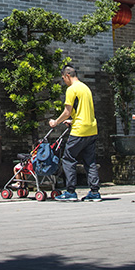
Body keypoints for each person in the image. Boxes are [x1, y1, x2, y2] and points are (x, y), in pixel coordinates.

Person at [49, 65, 101, 201]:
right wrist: (73, 121)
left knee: (68, 158)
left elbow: (67, 111)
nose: (64, 81)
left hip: (79, 131)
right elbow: (84, 111)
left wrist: (56, 122)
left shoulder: (72, 89)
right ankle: (94, 192)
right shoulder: (85, 88)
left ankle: (71, 191)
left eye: (63, 78)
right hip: (91, 128)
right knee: (90, 161)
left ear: (67, 76)